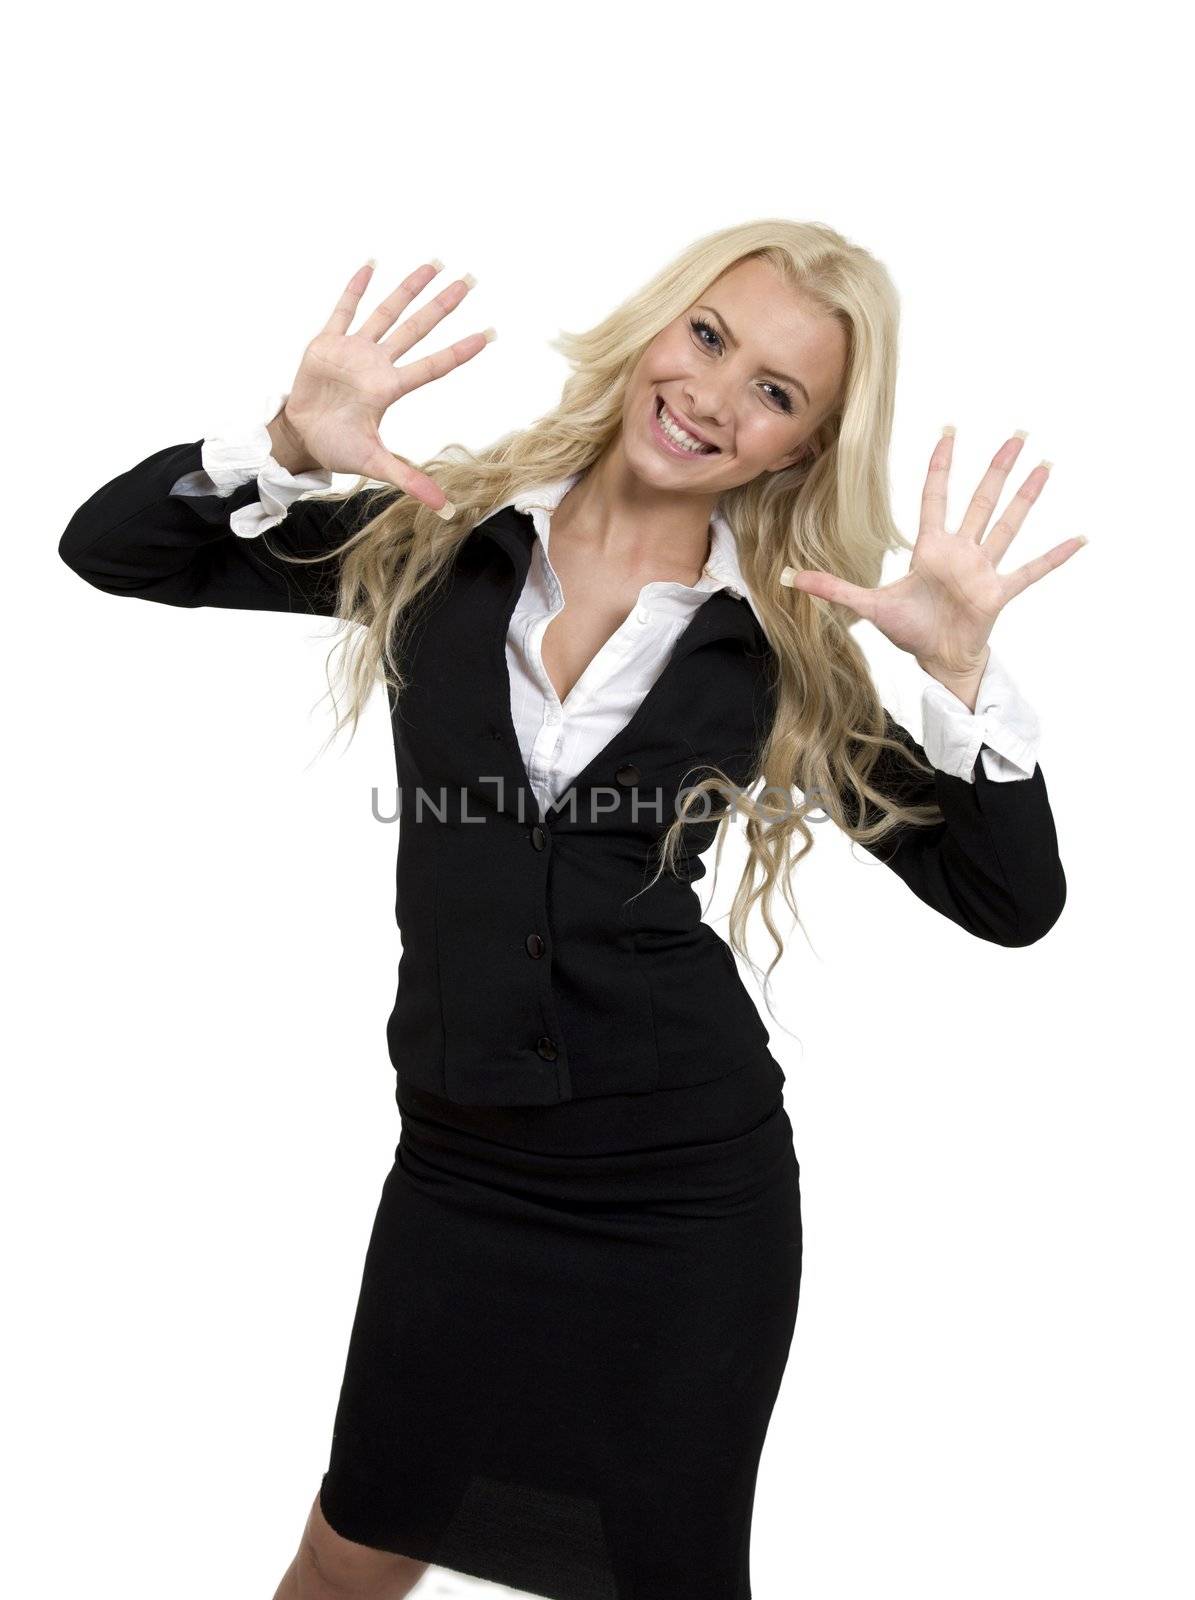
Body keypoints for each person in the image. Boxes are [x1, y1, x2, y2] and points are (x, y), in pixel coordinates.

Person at [58, 220, 1073, 1600]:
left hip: (682, 1197)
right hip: (460, 1166)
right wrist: (290, 445)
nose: (717, 395)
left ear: (799, 452)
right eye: (709, 337)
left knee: (663, 1577)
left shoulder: (780, 648)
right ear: (654, 328)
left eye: (777, 392)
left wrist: (959, 671)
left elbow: (1009, 898)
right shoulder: (433, 539)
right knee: (351, 1552)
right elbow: (115, 550)